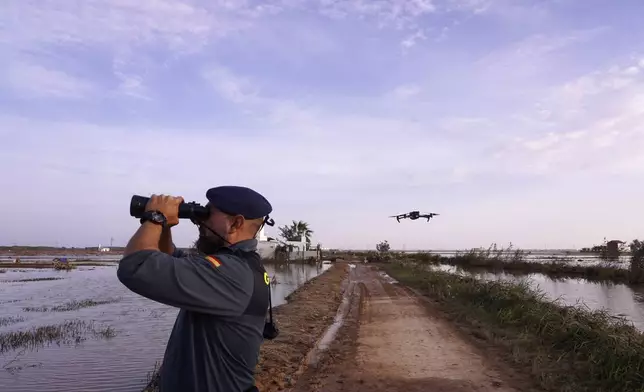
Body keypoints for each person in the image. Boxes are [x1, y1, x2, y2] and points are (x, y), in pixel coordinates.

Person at [117, 186, 274, 392]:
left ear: (236, 223)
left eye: (207, 214)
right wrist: (165, 227)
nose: (200, 221)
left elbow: (135, 266)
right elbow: (169, 258)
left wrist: (155, 217)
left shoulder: (232, 273)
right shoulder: (240, 266)